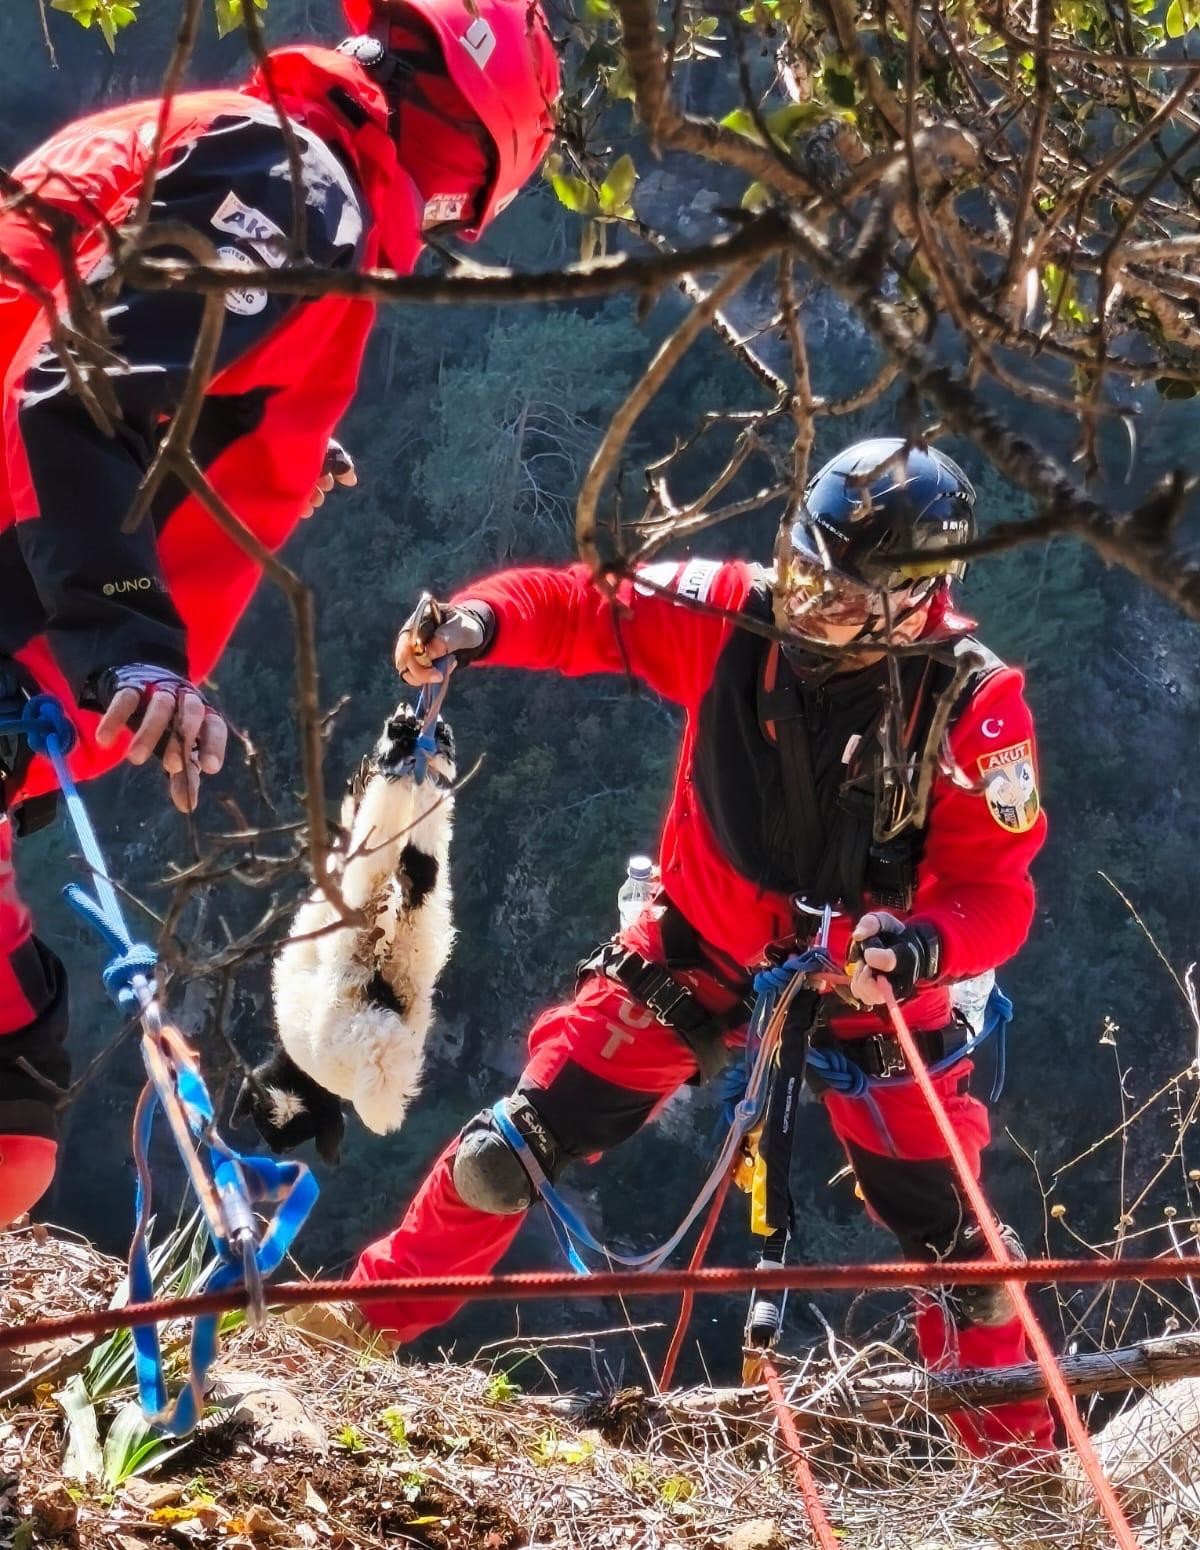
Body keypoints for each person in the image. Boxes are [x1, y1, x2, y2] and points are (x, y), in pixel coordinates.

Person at [246, 437, 1056, 1459]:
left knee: (965, 1268)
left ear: (917, 600)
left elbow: (994, 890)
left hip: (873, 983)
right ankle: (356, 1323)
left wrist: (923, 945)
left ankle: (1023, 1479)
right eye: (805, 575)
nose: (809, 610)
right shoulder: (731, 615)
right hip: (699, 947)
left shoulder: (973, 706)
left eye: (843, 598)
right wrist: (480, 620)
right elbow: (584, 604)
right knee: (508, 1154)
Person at [0, 0, 560, 1228]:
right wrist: (132, 647)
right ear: (468, 158)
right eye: (467, 211)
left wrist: (270, 445)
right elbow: (73, 386)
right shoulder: (307, 192)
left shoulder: (248, 144)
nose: (448, 233)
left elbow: (113, 349)